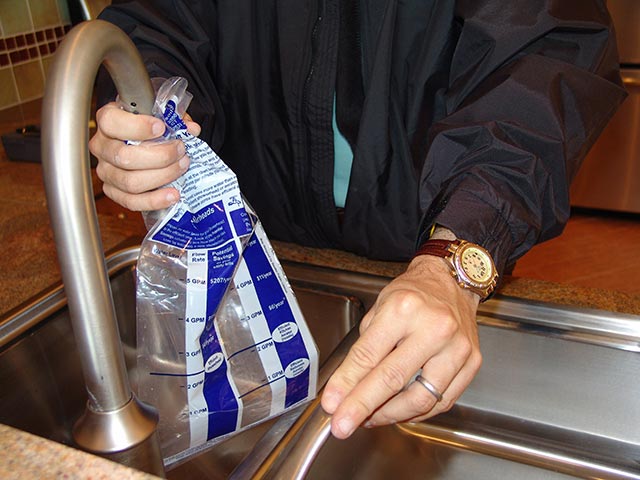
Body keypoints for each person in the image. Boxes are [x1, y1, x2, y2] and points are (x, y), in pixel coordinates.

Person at [90, 0, 625, 441]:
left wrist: (457, 252)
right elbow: (157, 22)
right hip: (264, 244)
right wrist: (145, 104)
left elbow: (547, 53)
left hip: (429, 245)